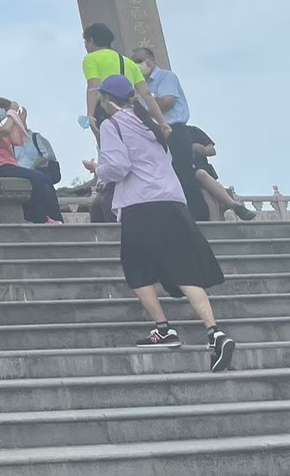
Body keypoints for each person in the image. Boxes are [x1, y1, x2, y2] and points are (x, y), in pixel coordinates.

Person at [81, 74, 236, 371]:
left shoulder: (112, 125)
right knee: (184, 269)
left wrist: (97, 169)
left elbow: (119, 167)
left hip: (141, 205)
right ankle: (215, 333)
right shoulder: (149, 123)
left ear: (106, 100)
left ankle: (163, 329)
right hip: (172, 202)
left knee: (137, 270)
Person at [131, 47, 254, 222]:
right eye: (133, 62)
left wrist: (143, 104)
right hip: (156, 134)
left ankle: (199, 217)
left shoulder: (165, 77)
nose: (137, 65)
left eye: (140, 60)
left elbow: (166, 103)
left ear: (152, 59)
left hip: (174, 131)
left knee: (184, 175)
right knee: (168, 176)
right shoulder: (141, 86)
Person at [0, 95, 63, 223]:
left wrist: (19, 120)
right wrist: (12, 113)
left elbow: (17, 140)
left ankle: (48, 217)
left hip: (10, 165)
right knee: (39, 178)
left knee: (43, 181)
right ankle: (38, 218)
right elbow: (5, 131)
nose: (2, 110)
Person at [81, 24, 168, 139]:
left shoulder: (91, 58)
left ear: (91, 41)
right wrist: (162, 122)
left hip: (107, 109)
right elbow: (147, 94)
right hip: (133, 111)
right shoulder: (129, 62)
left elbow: (93, 86)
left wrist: (90, 115)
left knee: (112, 144)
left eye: (86, 42)